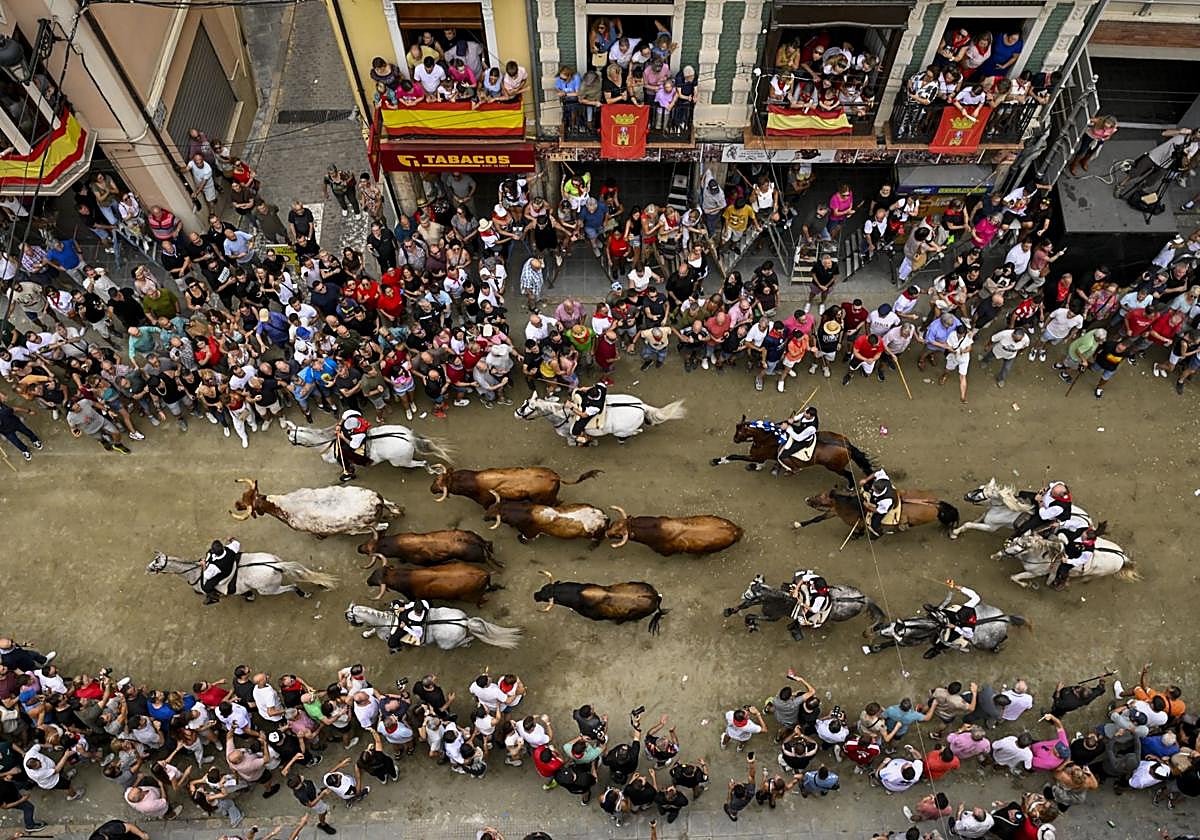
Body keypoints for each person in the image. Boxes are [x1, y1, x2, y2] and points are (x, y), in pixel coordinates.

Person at [924, 581, 980, 659]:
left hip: (959, 626)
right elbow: (976, 597)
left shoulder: (968, 627)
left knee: (948, 640)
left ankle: (936, 649)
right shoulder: (968, 606)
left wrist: (954, 627)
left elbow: (969, 635)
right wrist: (962, 589)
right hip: (955, 616)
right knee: (942, 612)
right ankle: (934, 610)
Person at [199, 538, 242, 605]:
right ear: (222, 547)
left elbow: (207, 575)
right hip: (231, 564)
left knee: (206, 588)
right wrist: (231, 539)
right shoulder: (230, 548)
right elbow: (237, 543)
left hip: (224, 573)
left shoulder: (214, 566)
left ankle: (214, 598)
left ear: (213, 552)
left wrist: (203, 565)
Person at [335, 408, 370, 483]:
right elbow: (345, 414)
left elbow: (353, 445)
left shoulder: (359, 435)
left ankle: (349, 472)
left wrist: (342, 437)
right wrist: (339, 424)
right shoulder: (354, 414)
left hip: (352, 441)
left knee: (341, 455)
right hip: (345, 433)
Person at [777, 405, 818, 470]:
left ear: (811, 416)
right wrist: (793, 419)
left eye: (806, 414)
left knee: (783, 456)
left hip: (803, 440)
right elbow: (801, 415)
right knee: (782, 423)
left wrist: (787, 428)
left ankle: (794, 469)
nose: (804, 413)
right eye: (805, 412)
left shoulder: (811, 428)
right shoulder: (807, 412)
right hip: (800, 430)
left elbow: (799, 438)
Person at [861, 467, 898, 538]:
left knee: (874, 524)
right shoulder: (883, 479)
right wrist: (865, 480)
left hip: (883, 507)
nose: (871, 488)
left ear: (879, 491)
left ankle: (879, 533)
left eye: (873, 488)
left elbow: (880, 511)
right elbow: (877, 473)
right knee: (866, 486)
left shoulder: (886, 501)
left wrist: (868, 506)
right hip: (881, 495)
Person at [569, 380, 607, 446]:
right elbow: (592, 387)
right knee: (578, 391)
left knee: (576, 430)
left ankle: (585, 439)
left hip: (589, 411)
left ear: (593, 397)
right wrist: (586, 388)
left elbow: (584, 415)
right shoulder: (601, 386)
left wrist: (571, 408)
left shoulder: (595, 407)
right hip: (592, 400)